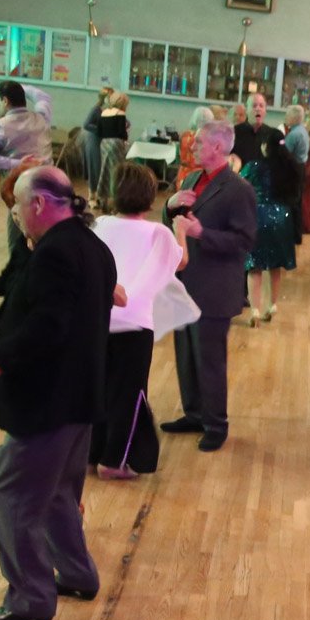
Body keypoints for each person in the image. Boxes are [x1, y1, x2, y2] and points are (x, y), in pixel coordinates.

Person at [0, 167, 116, 620]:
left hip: (48, 401)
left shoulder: (55, 253)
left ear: (38, 204)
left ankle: (30, 598)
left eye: (17, 206)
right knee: (58, 495)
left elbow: (49, 324)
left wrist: (1, 357)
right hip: (79, 396)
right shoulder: (92, 246)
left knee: (14, 494)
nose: (15, 215)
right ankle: (76, 573)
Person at [90, 163, 198, 478]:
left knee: (99, 386)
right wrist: (181, 231)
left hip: (98, 320)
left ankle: (92, 452)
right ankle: (112, 461)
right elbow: (181, 261)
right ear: (150, 198)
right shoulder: (157, 232)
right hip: (135, 325)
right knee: (128, 394)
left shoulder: (99, 224)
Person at [161, 120, 258, 452]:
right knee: (186, 355)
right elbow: (175, 223)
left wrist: (202, 233)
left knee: (210, 360)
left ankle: (216, 424)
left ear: (218, 147)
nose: (193, 146)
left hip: (215, 287)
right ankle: (194, 413)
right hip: (185, 282)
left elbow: (244, 241)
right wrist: (170, 205)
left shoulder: (239, 189)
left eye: (200, 142)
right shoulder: (191, 179)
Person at [244, 143, 302, 326]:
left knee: (254, 266)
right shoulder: (289, 168)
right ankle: (272, 305)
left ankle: (255, 310)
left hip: (258, 215)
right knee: (275, 266)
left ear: (266, 147)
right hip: (282, 218)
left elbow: (241, 184)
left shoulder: (254, 166)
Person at [93, 92, 130, 208]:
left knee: (104, 170)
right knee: (116, 172)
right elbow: (122, 133)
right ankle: (115, 200)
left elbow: (98, 132)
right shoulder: (120, 114)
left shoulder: (104, 113)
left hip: (104, 144)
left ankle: (102, 198)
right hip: (116, 144)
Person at [232, 93, 284, 170]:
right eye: (254, 106)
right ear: (246, 110)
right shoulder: (235, 132)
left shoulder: (272, 135)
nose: (258, 109)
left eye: (261, 106)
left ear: (265, 111)